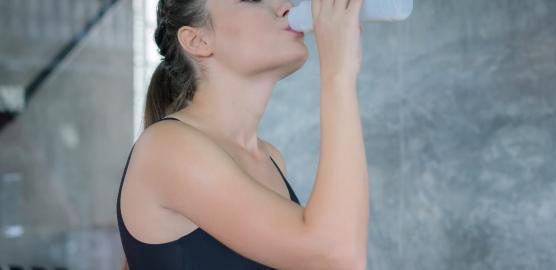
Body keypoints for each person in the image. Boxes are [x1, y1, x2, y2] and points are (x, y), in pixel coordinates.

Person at [115, 0, 369, 269]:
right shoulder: (165, 149)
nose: (287, 6)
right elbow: (336, 255)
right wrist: (338, 73)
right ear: (197, 40)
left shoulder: (270, 159)